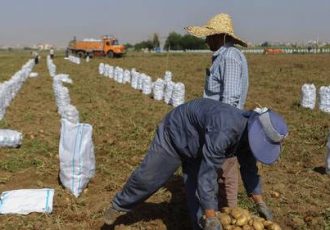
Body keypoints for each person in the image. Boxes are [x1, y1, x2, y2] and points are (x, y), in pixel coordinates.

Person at [103, 98, 288, 230]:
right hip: (175, 135)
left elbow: (249, 169)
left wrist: (259, 202)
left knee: (201, 198)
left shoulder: (247, 138)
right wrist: (211, 216)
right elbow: (208, 174)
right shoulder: (226, 129)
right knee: (149, 177)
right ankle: (118, 205)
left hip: (200, 145)